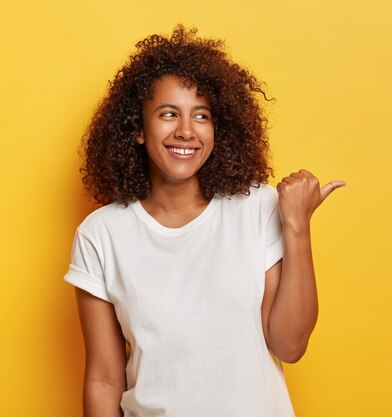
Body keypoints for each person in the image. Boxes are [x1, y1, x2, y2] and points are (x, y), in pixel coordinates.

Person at [64, 25, 345, 417]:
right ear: (138, 130)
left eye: (201, 115)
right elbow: (104, 379)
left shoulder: (256, 207)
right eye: (167, 114)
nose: (186, 131)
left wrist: (297, 226)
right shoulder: (101, 234)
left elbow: (289, 345)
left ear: (218, 128)